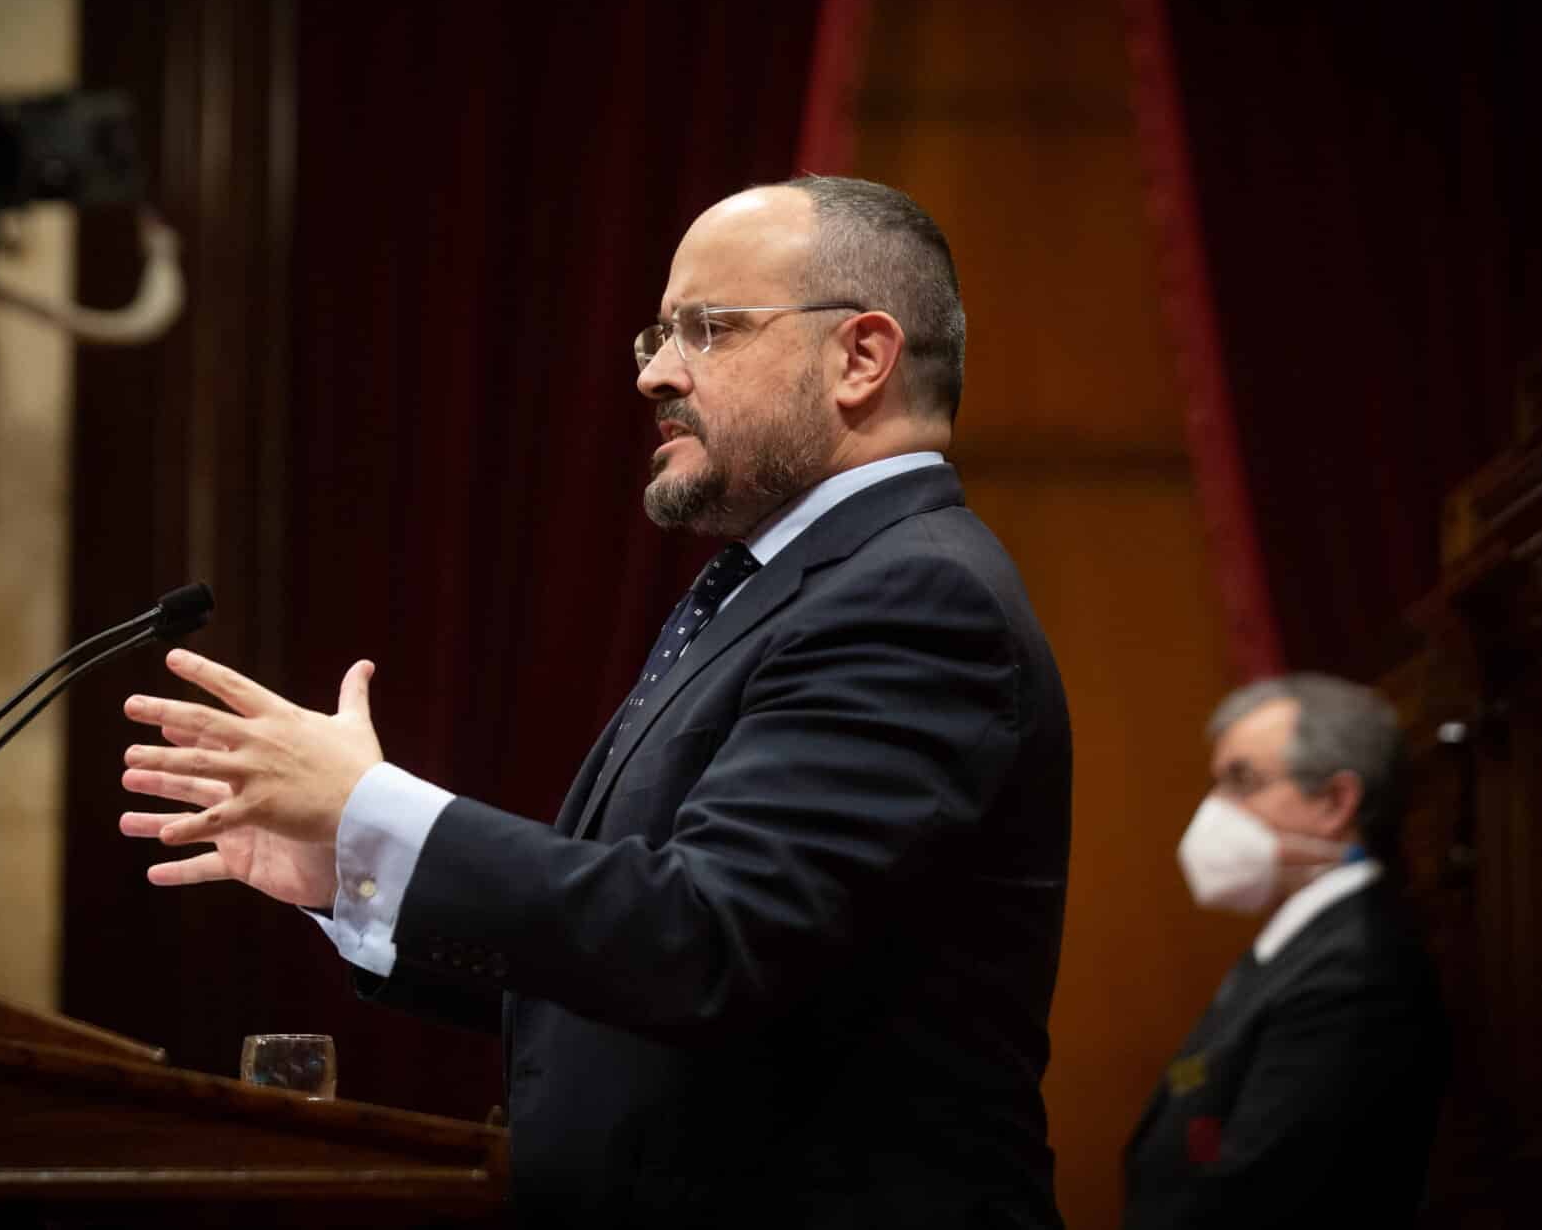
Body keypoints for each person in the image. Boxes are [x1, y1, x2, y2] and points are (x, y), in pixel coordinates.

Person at [116, 176, 1073, 1227]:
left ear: (860, 356)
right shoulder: (791, 584)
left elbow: (703, 940)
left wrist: (376, 809)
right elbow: (632, 975)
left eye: (706, 328)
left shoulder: (915, 597)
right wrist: (352, 873)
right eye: (655, 335)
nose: (657, 374)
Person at [1122, 674, 1449, 1228]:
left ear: (1334, 801)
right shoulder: (1299, 946)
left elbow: (1261, 1197)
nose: (1213, 812)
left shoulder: (1356, 967)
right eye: (1216, 783)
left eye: (1241, 781)